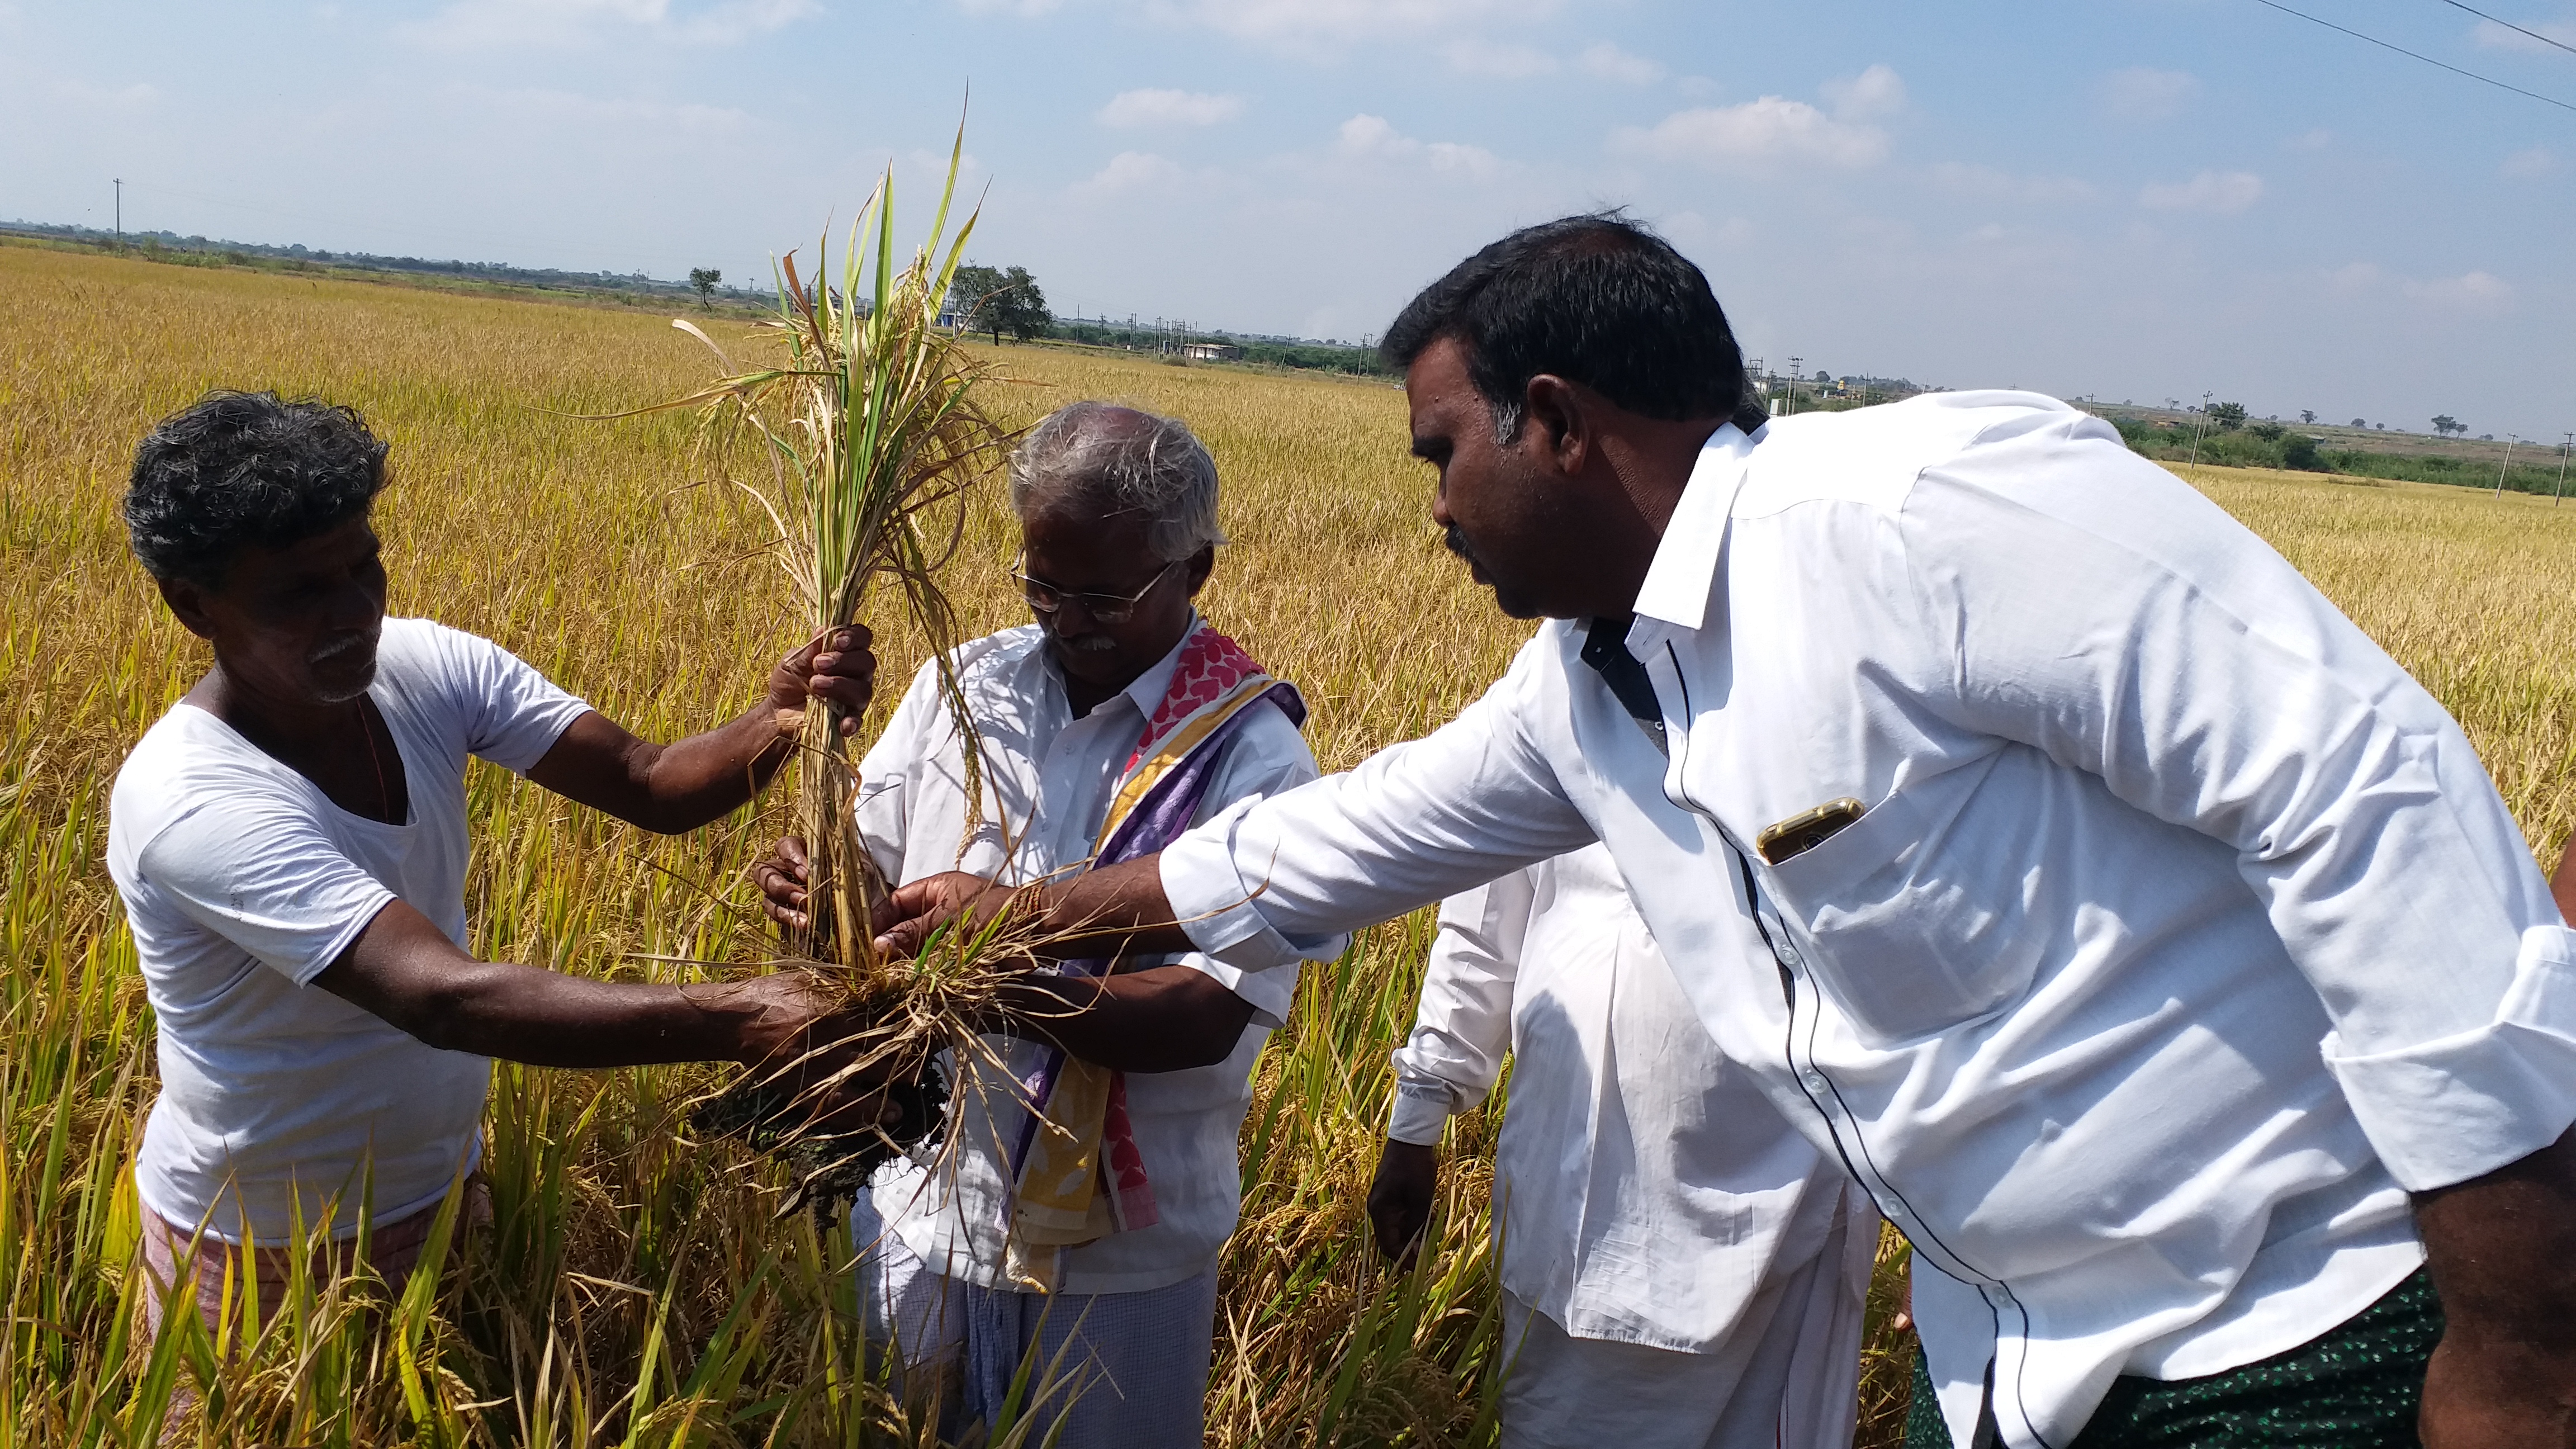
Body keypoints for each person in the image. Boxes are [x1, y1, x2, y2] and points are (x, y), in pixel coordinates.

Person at [869, 217, 2576, 1448]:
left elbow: (2371, 798)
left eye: (1442, 453)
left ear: (1559, 419)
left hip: (2291, 1336)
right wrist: (1000, 918)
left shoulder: (1923, 518)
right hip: (2015, 1358)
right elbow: (1315, 852)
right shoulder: (1590, 688)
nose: (1436, 508)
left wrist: (2514, 1342)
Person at [107, 391, 877, 1338]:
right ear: (195, 605)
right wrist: (739, 1016)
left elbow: (652, 782)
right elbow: (441, 997)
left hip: (439, 1187)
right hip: (263, 1241)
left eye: (363, 566)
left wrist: (784, 717)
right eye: (300, 594)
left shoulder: (420, 667)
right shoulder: (195, 798)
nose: (353, 613)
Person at [752, 402, 1328, 1448]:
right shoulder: (963, 685)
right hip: (922, 1199)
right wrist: (817, 894)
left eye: (1104, 595)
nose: (1067, 618)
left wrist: (986, 962)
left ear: (1194, 570)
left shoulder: (1250, 757)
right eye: (1042, 584)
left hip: (1116, 1256)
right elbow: (864, 913)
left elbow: (1204, 1014)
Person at [1367, 842, 1877, 1448]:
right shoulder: (1560, 744)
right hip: (1578, 1198)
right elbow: (1485, 914)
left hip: (1793, 1187)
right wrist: (1421, 1111)